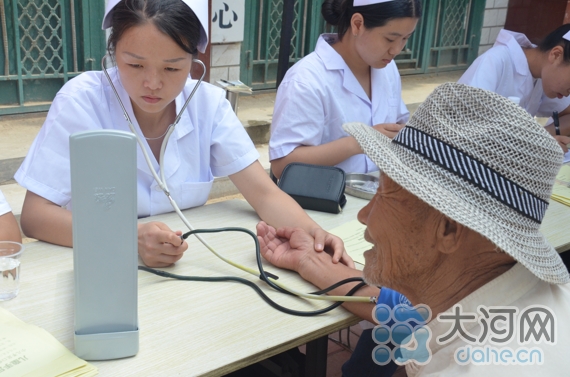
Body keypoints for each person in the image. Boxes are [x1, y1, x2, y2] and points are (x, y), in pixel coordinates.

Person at [257, 82, 570, 375]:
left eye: (384, 194)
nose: (364, 214)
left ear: (448, 229)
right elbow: (405, 309)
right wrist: (309, 261)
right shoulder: (505, 294)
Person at [15, 0, 350, 269]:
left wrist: (314, 234)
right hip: (99, 272)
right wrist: (129, 238)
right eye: (135, 65)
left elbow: (264, 195)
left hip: (185, 273)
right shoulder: (80, 102)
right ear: (113, 52)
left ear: (194, 60)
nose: (153, 84)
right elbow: (35, 216)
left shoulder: (209, 104)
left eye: (172, 68)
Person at [269, 0, 421, 178]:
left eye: (405, 39)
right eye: (390, 39)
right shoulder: (306, 79)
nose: (396, 50)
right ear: (357, 24)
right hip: (324, 202)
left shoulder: (388, 69)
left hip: (380, 197)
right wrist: (358, 142)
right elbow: (282, 165)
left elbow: (397, 124)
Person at [458, 24, 570, 152]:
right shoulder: (495, 61)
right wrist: (536, 142)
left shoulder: (542, 75)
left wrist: (545, 134)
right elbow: (465, 126)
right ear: (556, 55)